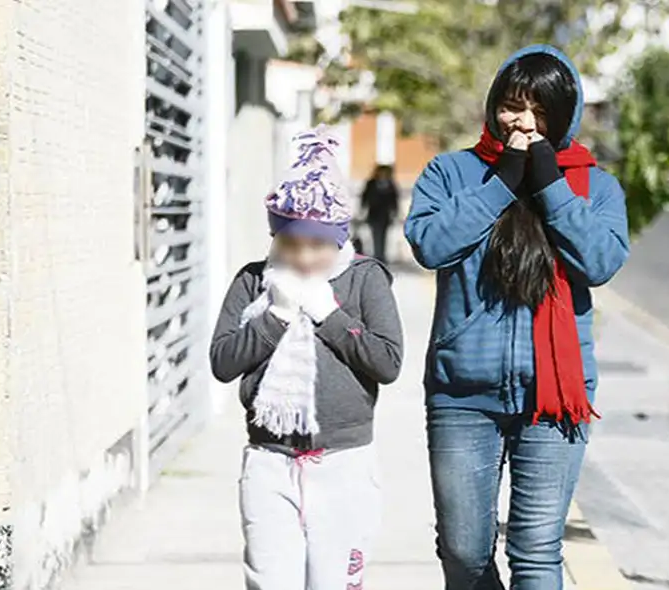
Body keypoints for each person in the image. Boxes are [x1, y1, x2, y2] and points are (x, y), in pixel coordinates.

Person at [404, 45, 630, 589]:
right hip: (462, 395)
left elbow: (600, 262)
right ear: (493, 106)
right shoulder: (451, 173)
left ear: (565, 117)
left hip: (554, 398)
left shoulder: (595, 186)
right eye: (512, 105)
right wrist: (501, 183)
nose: (523, 122)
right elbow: (430, 245)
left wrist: (551, 187)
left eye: (541, 111)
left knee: (535, 552)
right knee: (463, 553)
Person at [209, 125, 404, 590]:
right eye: (291, 243)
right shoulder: (253, 281)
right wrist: (274, 317)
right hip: (269, 461)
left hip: (344, 462)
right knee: (269, 580)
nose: (303, 257)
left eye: (317, 245)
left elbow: (387, 362)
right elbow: (222, 362)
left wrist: (329, 316)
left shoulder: (364, 279)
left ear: (338, 239)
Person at [360, 164, 400, 263]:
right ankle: (377, 254)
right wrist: (362, 210)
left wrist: (395, 212)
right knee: (375, 234)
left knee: (384, 235)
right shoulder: (371, 183)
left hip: (385, 215)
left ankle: (381, 255)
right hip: (373, 214)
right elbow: (364, 197)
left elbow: (394, 200)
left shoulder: (390, 184)